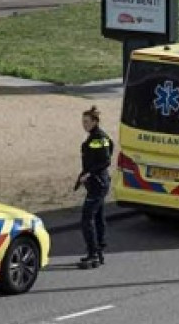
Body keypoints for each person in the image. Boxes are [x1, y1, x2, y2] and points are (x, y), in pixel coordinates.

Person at [77, 106, 113, 269]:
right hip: (96, 183)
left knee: (87, 218)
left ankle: (93, 253)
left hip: (98, 184)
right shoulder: (94, 137)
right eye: (82, 122)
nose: (84, 124)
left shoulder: (99, 138)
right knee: (98, 217)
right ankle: (98, 253)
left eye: (86, 122)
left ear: (94, 122)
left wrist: (89, 173)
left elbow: (105, 160)